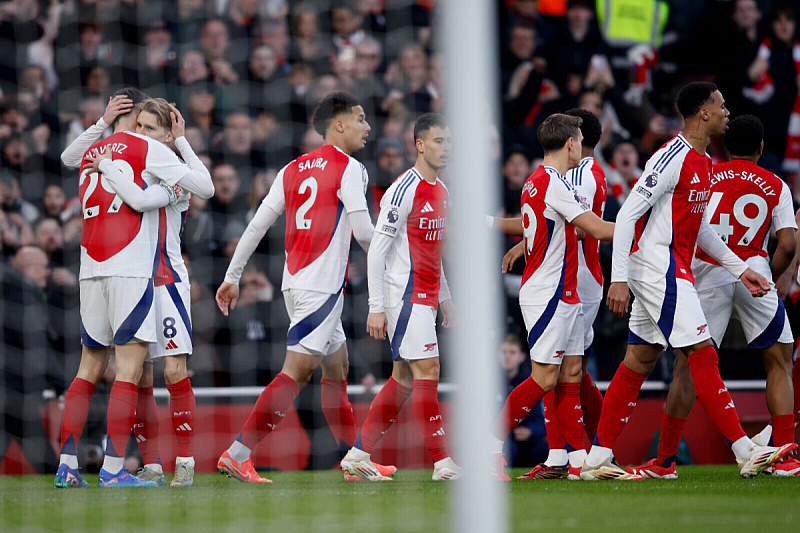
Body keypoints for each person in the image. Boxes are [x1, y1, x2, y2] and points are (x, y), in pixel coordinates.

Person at [581, 82, 797, 481]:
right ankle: (744, 449)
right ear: (703, 113)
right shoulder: (671, 158)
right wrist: (619, 279)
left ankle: (596, 458)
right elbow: (628, 215)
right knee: (701, 351)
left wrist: (739, 268)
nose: (726, 112)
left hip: (669, 265)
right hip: (657, 266)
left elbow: (700, 231)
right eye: (721, 105)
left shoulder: (704, 161)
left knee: (639, 360)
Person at [215, 92, 384, 484]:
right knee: (296, 372)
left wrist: (232, 275)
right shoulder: (350, 167)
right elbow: (363, 234)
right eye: (360, 119)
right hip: (320, 290)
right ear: (338, 124)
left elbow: (257, 225)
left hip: (296, 285)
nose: (367, 127)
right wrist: (399, 254)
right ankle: (237, 454)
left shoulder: (291, 169)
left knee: (337, 367)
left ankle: (353, 459)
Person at [54, 88, 214, 489]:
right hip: (132, 276)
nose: (140, 131)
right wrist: (110, 152)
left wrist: (175, 143)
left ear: (165, 135)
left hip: (165, 279)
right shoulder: (133, 157)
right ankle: (151, 464)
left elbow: (152, 197)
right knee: (137, 374)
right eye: (137, 124)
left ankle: (186, 463)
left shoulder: (172, 174)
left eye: (150, 127)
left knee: (173, 371)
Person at [491, 113, 615, 481]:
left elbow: (545, 229)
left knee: (571, 373)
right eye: (578, 139)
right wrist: (648, 224)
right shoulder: (554, 183)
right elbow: (595, 229)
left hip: (568, 291)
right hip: (548, 292)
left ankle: (577, 461)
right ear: (570, 143)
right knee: (545, 378)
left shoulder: (538, 181)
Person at [338, 113, 461, 481]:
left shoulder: (443, 191)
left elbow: (432, 251)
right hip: (403, 295)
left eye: (449, 142)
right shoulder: (402, 189)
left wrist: (446, 296)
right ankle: (443, 464)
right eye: (439, 141)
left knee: (403, 379)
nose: (446, 148)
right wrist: (377, 307)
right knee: (430, 371)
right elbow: (377, 249)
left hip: (426, 294)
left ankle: (357, 456)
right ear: (420, 145)